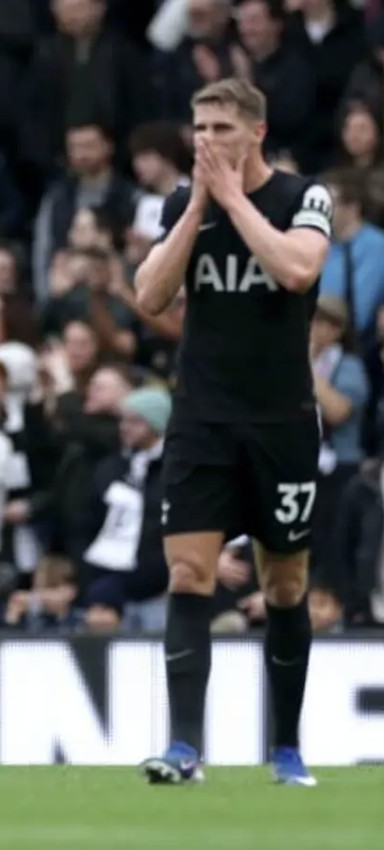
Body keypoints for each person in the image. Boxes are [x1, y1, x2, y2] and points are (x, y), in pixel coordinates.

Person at [135, 78, 332, 787]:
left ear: (256, 132)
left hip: (282, 422)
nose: (207, 141)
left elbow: (297, 269)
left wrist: (233, 200)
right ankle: (185, 747)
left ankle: (287, 748)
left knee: (284, 582)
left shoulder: (304, 198)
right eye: (199, 129)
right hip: (202, 420)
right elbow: (150, 295)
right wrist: (197, 206)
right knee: (189, 572)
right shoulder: (181, 205)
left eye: (221, 128)